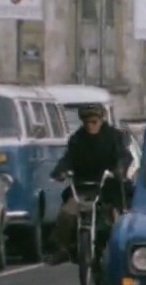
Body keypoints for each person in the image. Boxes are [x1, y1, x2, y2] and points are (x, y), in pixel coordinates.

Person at [46, 104, 132, 265]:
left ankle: (120, 249)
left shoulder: (114, 136)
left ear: (101, 120)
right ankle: (63, 248)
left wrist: (119, 169)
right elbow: (67, 159)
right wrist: (60, 171)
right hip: (82, 188)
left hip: (109, 188)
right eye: (86, 122)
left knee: (116, 218)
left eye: (93, 121)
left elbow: (124, 156)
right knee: (66, 213)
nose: (90, 126)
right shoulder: (77, 139)